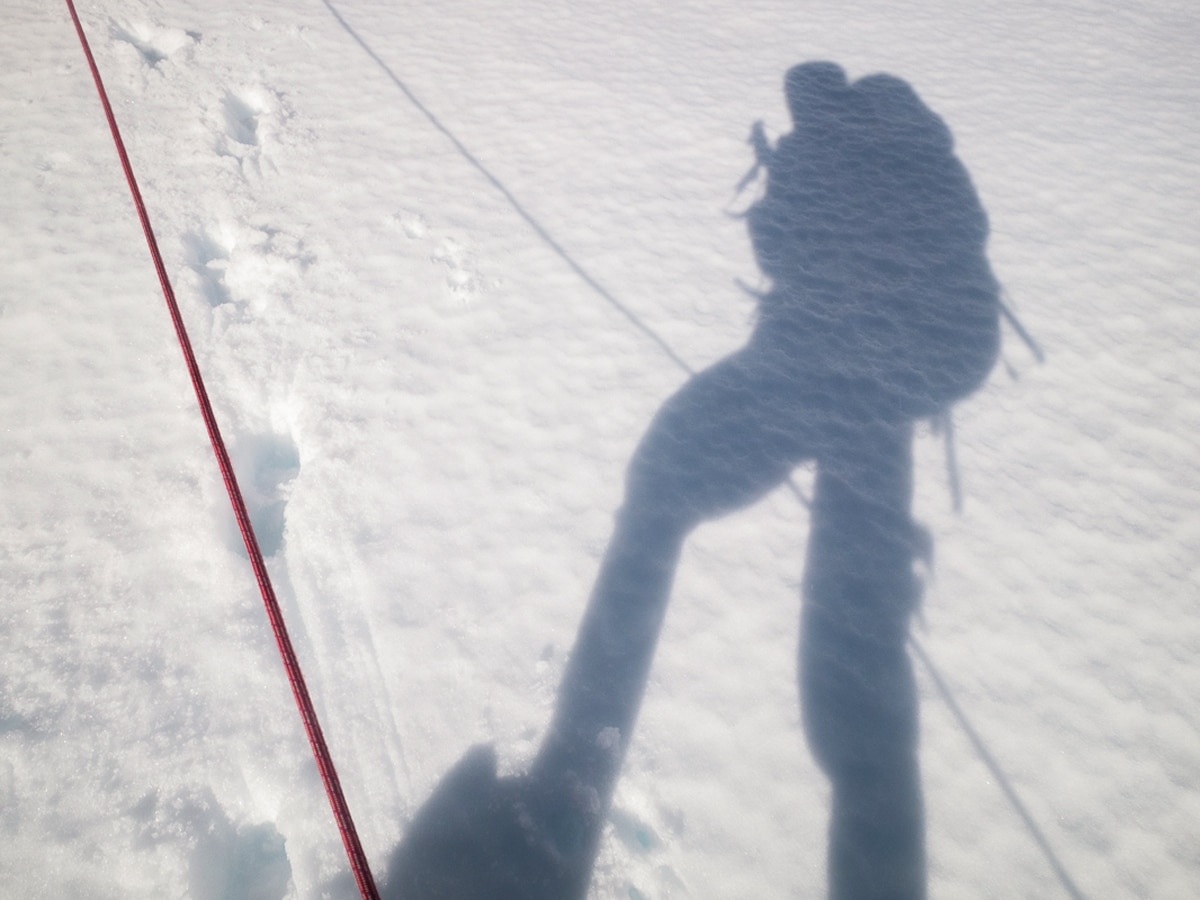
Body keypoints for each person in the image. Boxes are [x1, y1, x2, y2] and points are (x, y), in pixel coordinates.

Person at [386, 62, 999, 900]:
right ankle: (575, 785)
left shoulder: (833, 155)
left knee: (662, 492)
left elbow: (780, 245)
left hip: (821, 367)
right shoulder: (918, 166)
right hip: (881, 383)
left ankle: (572, 782)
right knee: (847, 652)